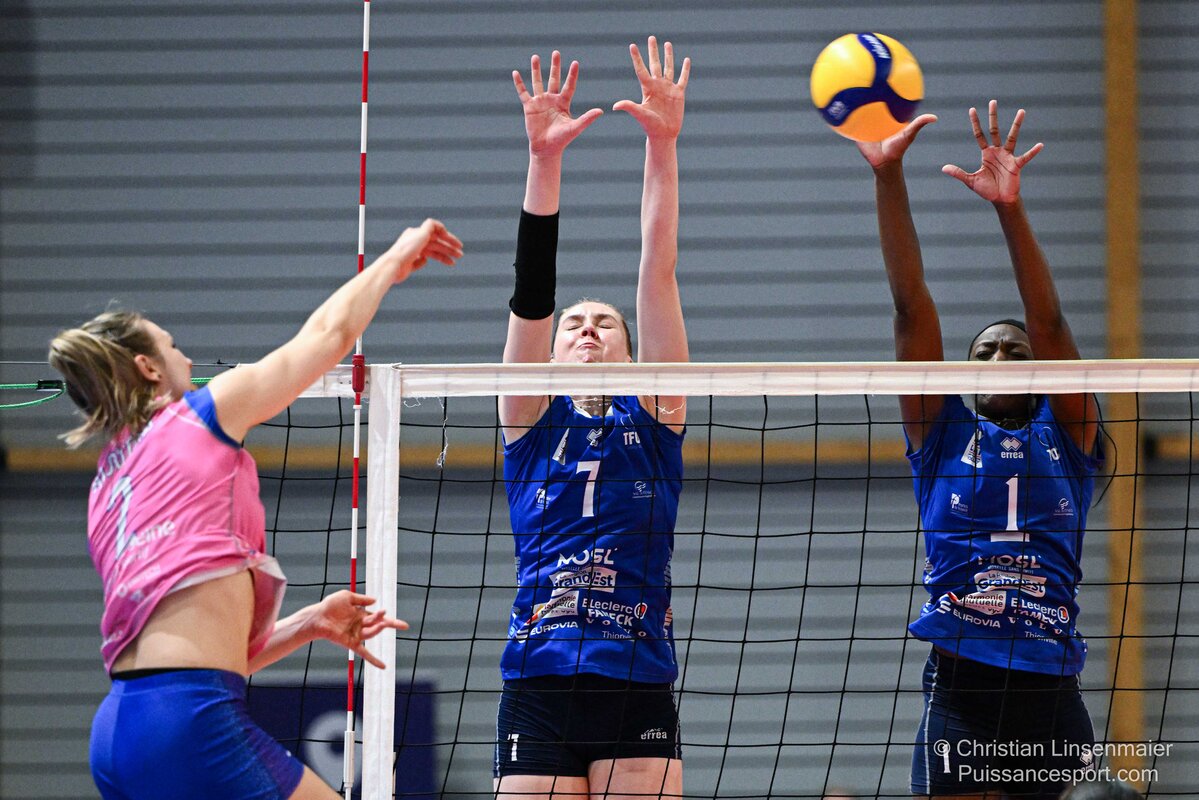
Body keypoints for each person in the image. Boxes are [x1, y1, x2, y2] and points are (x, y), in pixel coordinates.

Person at [48, 219, 463, 800]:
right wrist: (395, 257)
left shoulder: (108, 483)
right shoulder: (200, 415)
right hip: (190, 719)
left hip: (120, 730)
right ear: (148, 368)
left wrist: (305, 625)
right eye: (171, 345)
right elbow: (329, 334)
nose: (186, 356)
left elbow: (198, 645)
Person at [857, 102, 1102, 799]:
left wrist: (1009, 208)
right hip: (961, 687)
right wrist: (887, 175)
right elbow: (910, 307)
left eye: (1014, 350)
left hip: (1050, 691)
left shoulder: (1069, 433)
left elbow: (1049, 321)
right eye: (984, 351)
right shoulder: (941, 433)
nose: (999, 357)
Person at [494, 38, 689, 800]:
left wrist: (662, 146)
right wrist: (542, 161)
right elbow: (530, 294)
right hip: (538, 677)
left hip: (634, 676)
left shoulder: (656, 414)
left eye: (603, 322)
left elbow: (657, 270)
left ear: (630, 350)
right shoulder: (528, 418)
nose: (585, 330)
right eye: (573, 323)